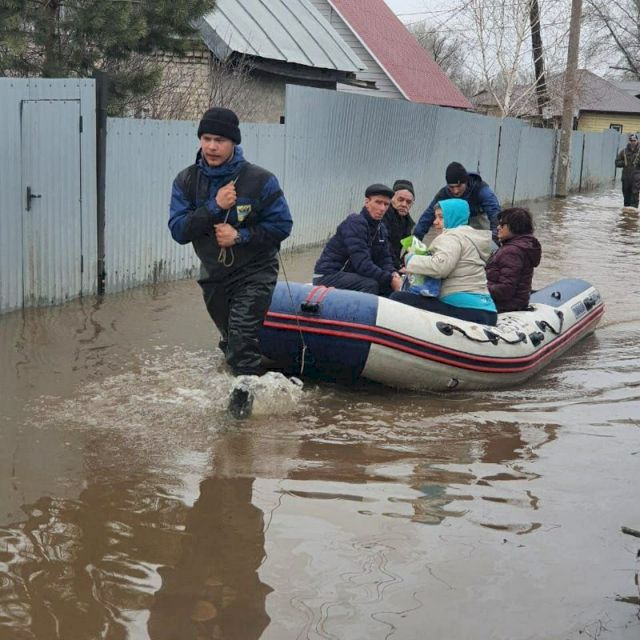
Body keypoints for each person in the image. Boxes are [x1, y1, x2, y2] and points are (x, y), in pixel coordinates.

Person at [168, 107, 293, 383]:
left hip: (255, 273)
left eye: (220, 140)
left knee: (242, 342)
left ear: (234, 142)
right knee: (230, 340)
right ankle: (249, 386)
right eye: (207, 139)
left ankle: (241, 407)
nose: (212, 146)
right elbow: (179, 231)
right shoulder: (186, 180)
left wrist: (240, 236)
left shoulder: (260, 180)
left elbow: (282, 225)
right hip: (214, 275)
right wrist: (214, 206)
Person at [391, 198, 497, 325]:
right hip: (488, 311)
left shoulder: (451, 236)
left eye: (441, 217)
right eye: (435, 217)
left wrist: (411, 259)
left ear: (453, 217)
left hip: (464, 309)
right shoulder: (470, 238)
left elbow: (440, 267)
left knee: (398, 298)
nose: (435, 222)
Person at [313, 184, 403, 295]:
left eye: (386, 204)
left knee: (388, 285)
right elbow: (362, 265)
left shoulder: (381, 229)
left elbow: (385, 260)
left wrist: (393, 274)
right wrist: (390, 279)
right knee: (370, 284)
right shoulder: (355, 223)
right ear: (367, 202)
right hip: (328, 275)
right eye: (378, 202)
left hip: (350, 274)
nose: (382, 208)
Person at [413, 162, 501, 243]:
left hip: (477, 219)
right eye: (451, 187)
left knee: (483, 242)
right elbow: (427, 216)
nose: (455, 191)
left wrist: (494, 240)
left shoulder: (481, 190)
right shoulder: (444, 193)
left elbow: (495, 214)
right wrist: (415, 240)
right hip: (456, 222)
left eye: (459, 186)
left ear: (465, 182)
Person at [486, 208, 541, 313]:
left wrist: (476, 289)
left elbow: (505, 289)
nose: (498, 227)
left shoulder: (511, 251)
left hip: (504, 305)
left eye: (502, 225)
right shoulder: (524, 246)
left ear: (514, 227)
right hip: (517, 302)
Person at [382, 179, 416, 270]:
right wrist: (398, 266)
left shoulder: (408, 222)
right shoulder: (383, 216)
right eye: (400, 200)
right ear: (391, 199)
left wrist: (403, 264)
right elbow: (385, 245)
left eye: (408, 202)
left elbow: (410, 247)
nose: (404, 204)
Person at [615, 133, 640, 208]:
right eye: (631, 141)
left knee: (635, 195)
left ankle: (634, 212)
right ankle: (626, 213)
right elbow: (616, 162)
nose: (633, 142)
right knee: (626, 197)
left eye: (634, 141)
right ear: (629, 141)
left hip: (636, 179)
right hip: (626, 178)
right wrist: (623, 163)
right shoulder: (624, 151)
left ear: (637, 141)